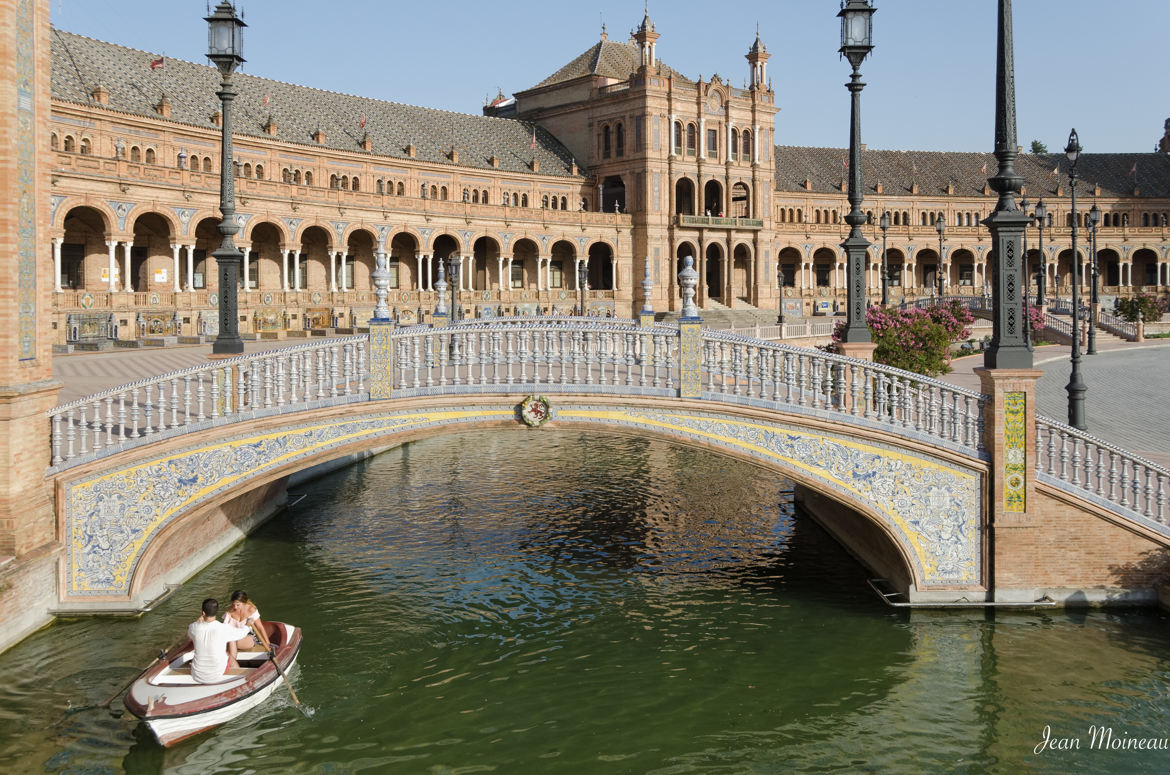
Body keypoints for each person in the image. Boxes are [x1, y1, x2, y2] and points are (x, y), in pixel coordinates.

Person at [188, 598, 240, 683]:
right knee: (229, 657)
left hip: (196, 674)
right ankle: (238, 680)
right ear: (216, 612)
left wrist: (197, 622)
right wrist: (248, 626)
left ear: (203, 613)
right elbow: (241, 633)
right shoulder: (224, 628)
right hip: (216, 673)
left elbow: (190, 634)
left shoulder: (193, 627)